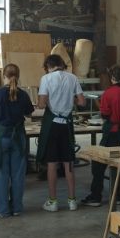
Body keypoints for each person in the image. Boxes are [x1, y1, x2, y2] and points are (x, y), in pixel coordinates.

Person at [81, 65, 120, 207]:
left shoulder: (108, 93)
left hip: (112, 131)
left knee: (98, 162)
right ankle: (118, 195)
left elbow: (105, 113)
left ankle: (96, 196)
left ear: (112, 78)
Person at [0, 64, 35, 218]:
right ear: (18, 76)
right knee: (18, 175)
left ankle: (4, 210)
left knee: (2, 174)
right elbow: (29, 114)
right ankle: (17, 208)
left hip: (2, 137)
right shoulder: (23, 95)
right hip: (18, 137)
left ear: (3, 76)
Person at [36, 54, 85, 212]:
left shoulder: (46, 79)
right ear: (62, 64)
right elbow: (82, 102)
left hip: (53, 125)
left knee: (52, 164)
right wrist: (70, 99)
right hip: (67, 125)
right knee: (68, 163)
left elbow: (41, 104)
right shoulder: (73, 78)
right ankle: (72, 201)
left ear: (48, 66)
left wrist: (46, 99)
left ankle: (53, 202)